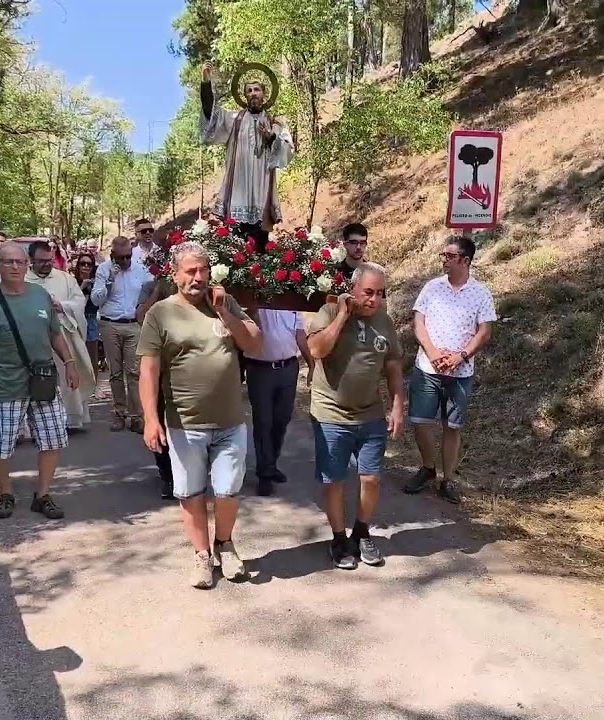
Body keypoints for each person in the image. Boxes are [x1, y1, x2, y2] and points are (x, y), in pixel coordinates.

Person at [138, 241, 262, 588]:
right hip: (185, 423)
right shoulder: (160, 314)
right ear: (175, 275)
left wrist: (224, 312)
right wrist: (150, 418)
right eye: (190, 271)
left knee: (227, 492)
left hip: (230, 421)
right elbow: (148, 370)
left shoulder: (226, 303)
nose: (198, 277)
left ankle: (225, 544)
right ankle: (201, 556)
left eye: (203, 269)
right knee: (191, 493)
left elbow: (254, 343)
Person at [0, 242, 80, 520]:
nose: (15, 267)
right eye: (8, 262)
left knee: (52, 439)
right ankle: (5, 493)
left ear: (27, 265)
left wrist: (70, 363)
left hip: (43, 381)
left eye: (19, 262)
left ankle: (43, 495)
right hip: (4, 384)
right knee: (0, 443)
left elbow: (55, 333)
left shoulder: (40, 295)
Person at [306, 263, 405, 569]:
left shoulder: (384, 322)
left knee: (372, 478)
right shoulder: (328, 311)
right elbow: (317, 350)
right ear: (353, 288)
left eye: (380, 293)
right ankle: (338, 539)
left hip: (370, 413)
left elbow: (392, 366)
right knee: (334, 480)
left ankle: (361, 532)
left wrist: (398, 405)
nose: (374, 300)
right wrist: (341, 315)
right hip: (330, 413)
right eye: (368, 292)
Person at [404, 236, 497, 505]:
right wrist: (433, 353)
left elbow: (485, 331)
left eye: (449, 255)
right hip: (427, 367)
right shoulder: (432, 288)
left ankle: (448, 479)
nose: (443, 259)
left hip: (460, 372)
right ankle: (427, 468)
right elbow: (419, 323)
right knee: (421, 421)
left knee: (452, 426)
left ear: (465, 260)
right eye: (443, 254)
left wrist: (461, 356)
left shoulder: (481, 293)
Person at [200, 63, 294, 242]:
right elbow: (209, 114)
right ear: (244, 96)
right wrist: (206, 83)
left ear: (264, 94)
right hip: (238, 194)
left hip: (261, 193)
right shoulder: (234, 120)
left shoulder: (276, 123)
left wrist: (272, 139)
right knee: (236, 246)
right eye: (249, 90)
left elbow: (288, 151)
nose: (253, 93)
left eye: (256, 89)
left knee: (260, 245)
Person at [26, 240, 97, 431]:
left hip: (63, 333)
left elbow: (79, 302)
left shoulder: (65, 278)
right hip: (33, 337)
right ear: (31, 260)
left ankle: (69, 418)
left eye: (49, 260)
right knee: (37, 379)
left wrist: (62, 306)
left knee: (67, 375)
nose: (47, 264)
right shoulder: (22, 280)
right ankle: (38, 422)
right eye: (41, 261)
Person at [245, 308, 313, 496]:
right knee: (263, 421)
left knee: (281, 420)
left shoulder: (290, 304)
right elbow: (246, 325)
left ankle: (271, 463)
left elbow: (300, 334)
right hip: (260, 370)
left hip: (288, 368)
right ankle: (264, 474)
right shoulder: (255, 302)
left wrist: (312, 364)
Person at [91, 236, 153, 432]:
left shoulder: (139, 268)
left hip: (133, 325)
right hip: (110, 325)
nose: (125, 261)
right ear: (113, 255)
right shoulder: (104, 270)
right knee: (115, 372)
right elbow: (95, 300)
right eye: (121, 258)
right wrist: (110, 280)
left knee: (134, 372)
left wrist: (145, 306)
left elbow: (153, 286)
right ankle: (119, 413)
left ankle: (137, 416)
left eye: (128, 257)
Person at [135, 280, 174, 500]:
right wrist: (158, 290)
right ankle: (166, 475)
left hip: (184, 372)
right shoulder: (150, 287)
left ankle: (183, 473)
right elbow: (141, 315)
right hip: (159, 368)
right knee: (158, 420)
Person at [71, 250, 103, 376]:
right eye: (83, 264)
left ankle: (93, 386)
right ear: (78, 266)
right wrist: (82, 287)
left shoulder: (96, 283)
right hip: (76, 320)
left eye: (89, 264)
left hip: (91, 320)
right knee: (76, 355)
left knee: (92, 357)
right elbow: (71, 301)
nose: (85, 267)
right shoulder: (72, 282)